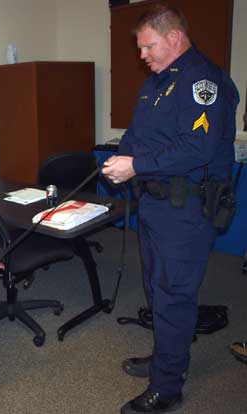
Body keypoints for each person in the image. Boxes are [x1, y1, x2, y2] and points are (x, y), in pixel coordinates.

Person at [102, 5, 239, 414]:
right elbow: (138, 135)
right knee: (157, 289)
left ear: (174, 37)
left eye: (149, 46)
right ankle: (166, 359)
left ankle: (168, 387)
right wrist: (121, 159)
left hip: (186, 209)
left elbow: (196, 148)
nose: (141, 54)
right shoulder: (156, 84)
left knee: (174, 294)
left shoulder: (203, 82)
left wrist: (136, 166)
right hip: (156, 204)